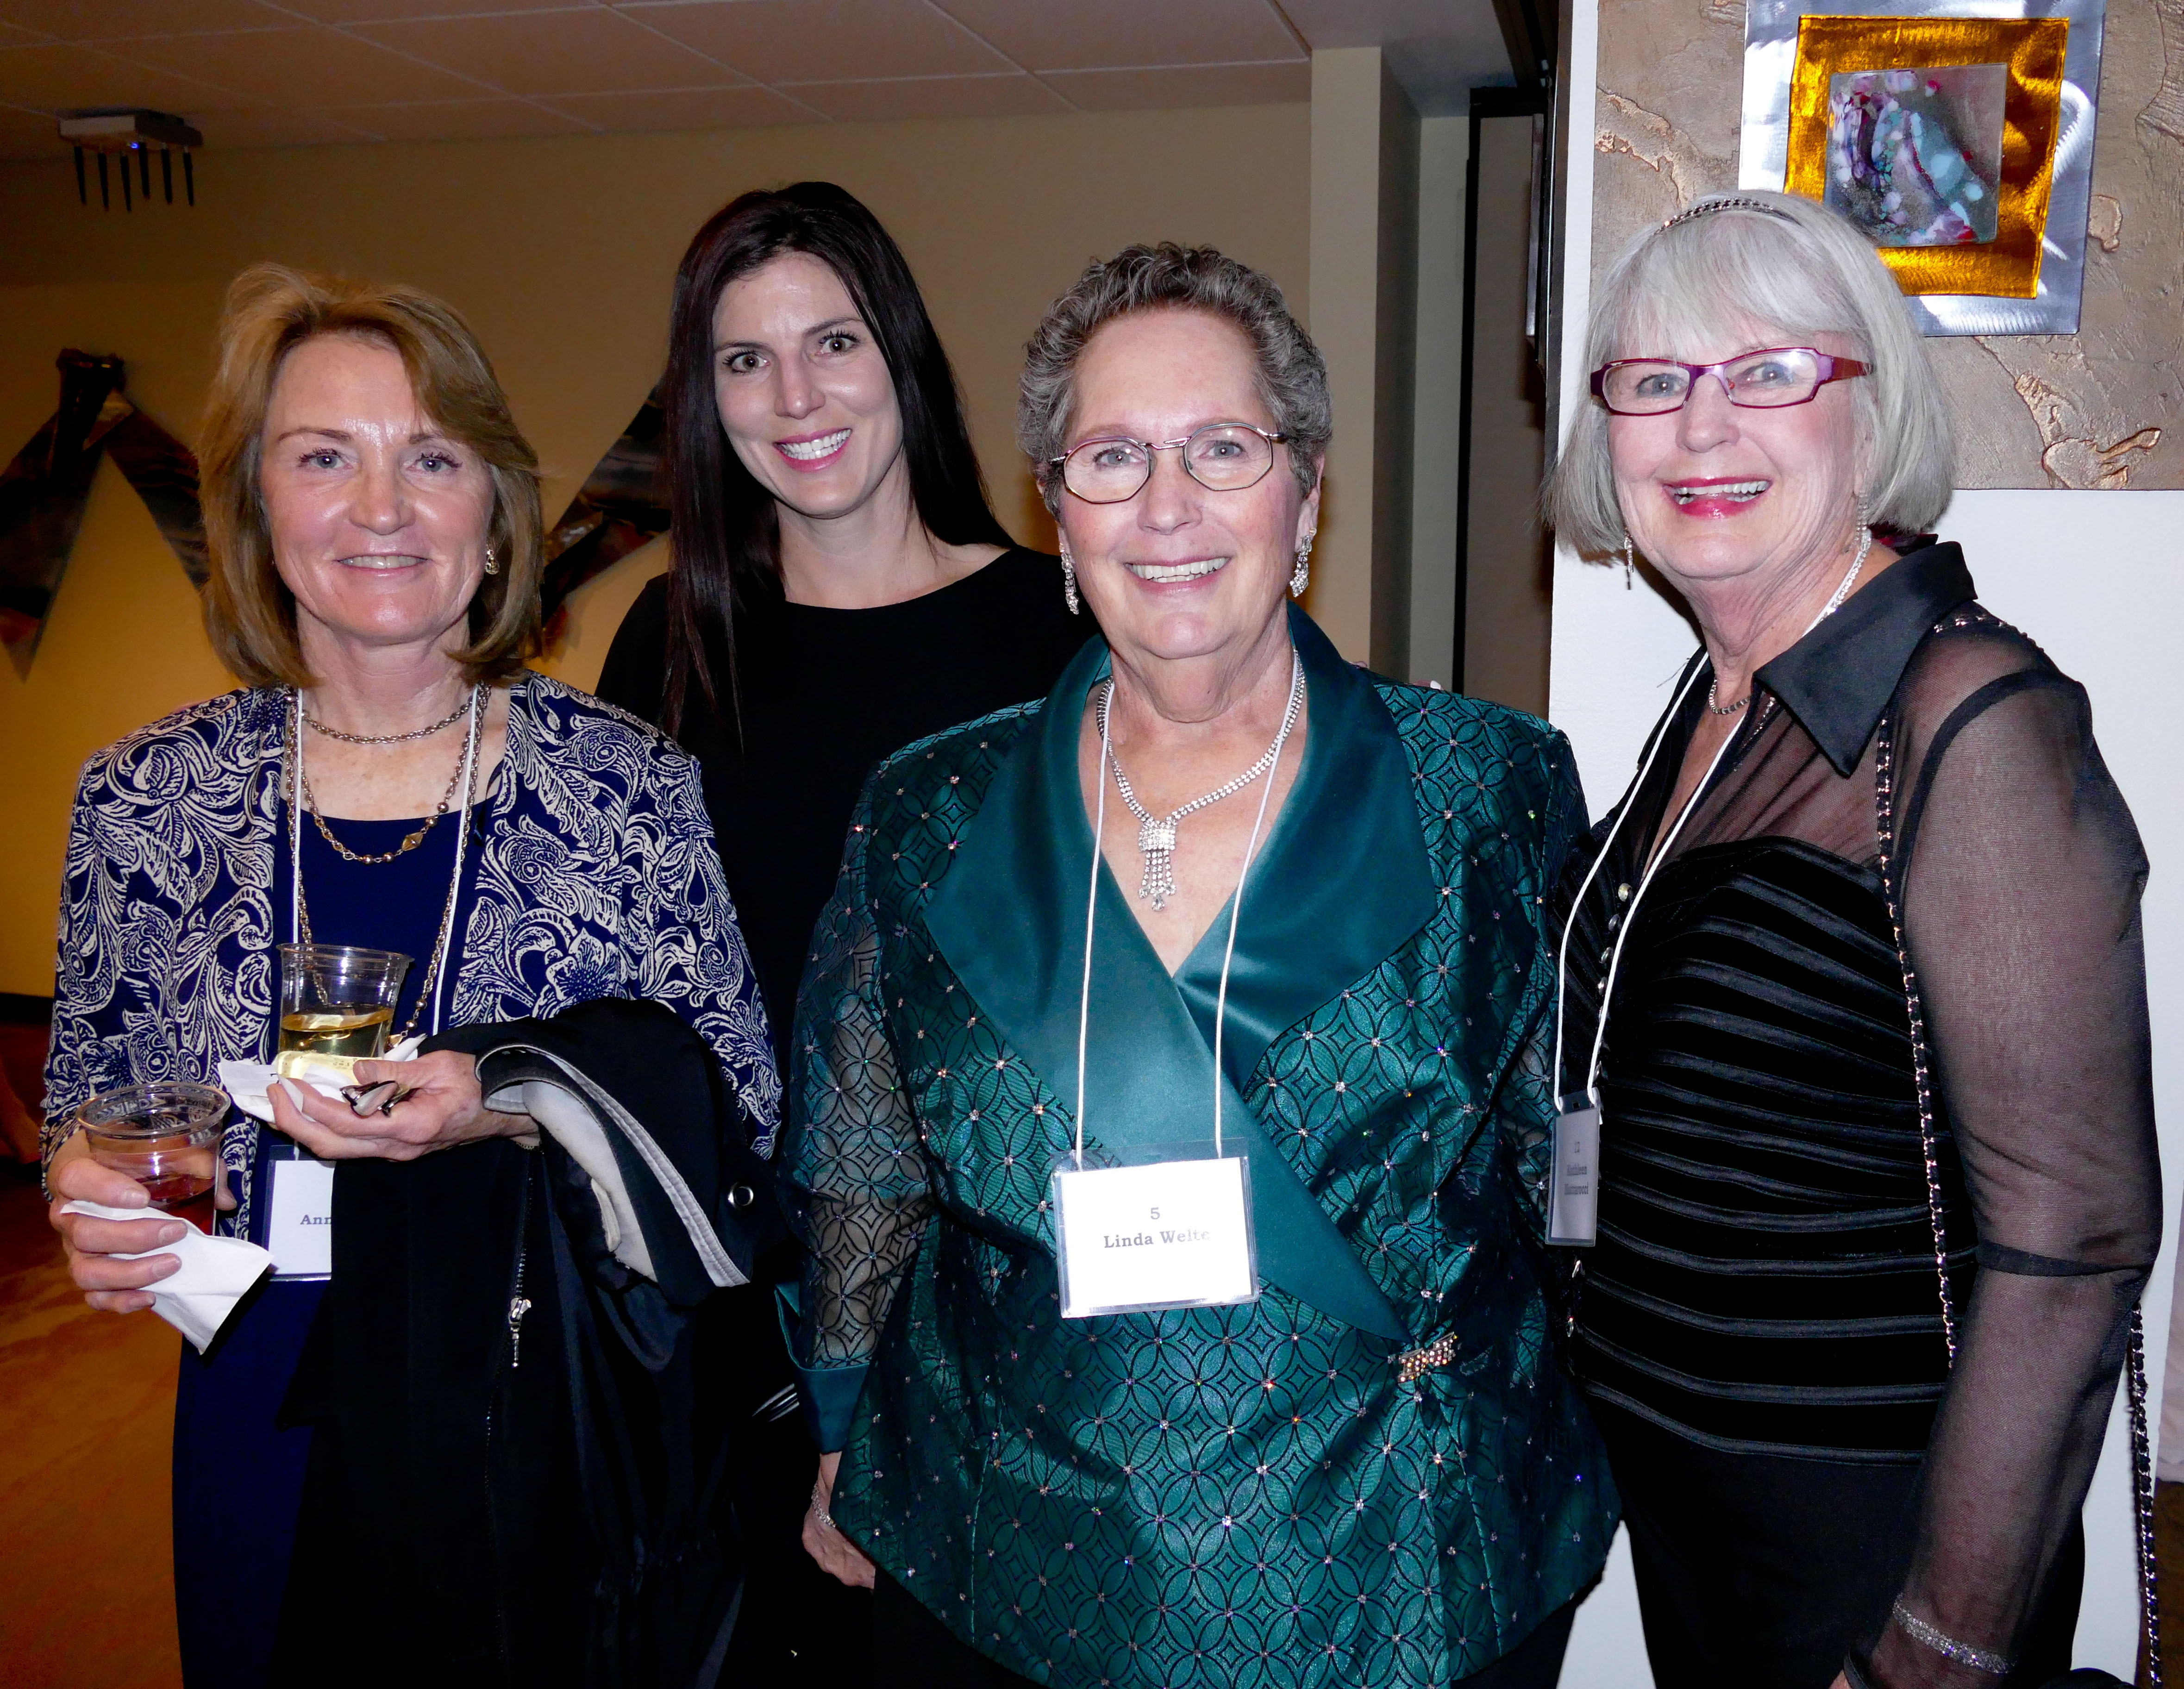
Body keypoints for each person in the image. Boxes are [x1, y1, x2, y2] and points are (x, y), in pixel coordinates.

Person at [778, 242, 1617, 1689]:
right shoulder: (927, 808)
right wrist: (844, 1422)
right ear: (1059, 507)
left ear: (1304, 491)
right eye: (1112, 457)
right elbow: (862, 1149)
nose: (1167, 508)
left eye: (1222, 449)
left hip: (1392, 1547)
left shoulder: (1492, 788)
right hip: (1008, 1540)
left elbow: (1574, 1169)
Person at [43, 264, 776, 1689]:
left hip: (528, 1384)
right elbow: (96, 1106)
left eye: (430, 459)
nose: (380, 510)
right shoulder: (146, 800)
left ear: (495, 524)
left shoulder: (621, 787)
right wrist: (91, 1196)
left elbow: (737, 1110)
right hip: (259, 1371)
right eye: (324, 457)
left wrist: (508, 1104)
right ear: (258, 513)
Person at [1545, 190, 2160, 1689]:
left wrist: (1935, 1647)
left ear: (1870, 407)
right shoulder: (1719, 703)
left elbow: (2077, 1237)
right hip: (1693, 1521)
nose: (1702, 431)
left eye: (1769, 374)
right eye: (1655, 381)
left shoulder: (1973, 718)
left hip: (1875, 1546)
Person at [592, 181, 1092, 1682]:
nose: (795, 397)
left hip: (991, 1284)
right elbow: (616, 991)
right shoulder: (670, 647)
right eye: (745, 361)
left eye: (835, 342)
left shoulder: (1053, 629)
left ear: (904, 360)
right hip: (734, 1290)